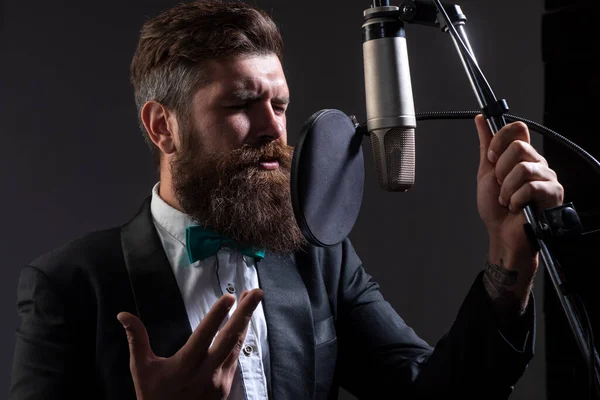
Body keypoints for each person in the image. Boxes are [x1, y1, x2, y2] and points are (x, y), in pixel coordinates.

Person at [9, 1, 564, 399]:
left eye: (280, 104)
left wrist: (507, 257)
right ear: (163, 127)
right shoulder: (69, 286)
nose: (273, 129)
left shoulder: (321, 260)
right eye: (241, 104)